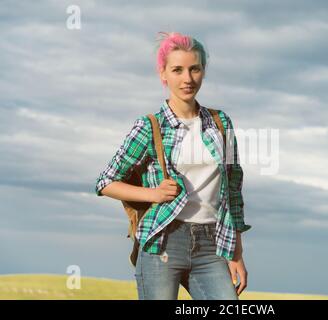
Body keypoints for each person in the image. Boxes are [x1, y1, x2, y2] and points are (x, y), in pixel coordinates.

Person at [94, 31, 251, 300]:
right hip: (162, 242)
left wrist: (236, 253)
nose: (187, 79)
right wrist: (152, 194)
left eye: (195, 69)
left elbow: (233, 190)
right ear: (163, 74)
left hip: (212, 245)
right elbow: (105, 182)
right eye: (177, 70)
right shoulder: (150, 126)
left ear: (203, 71)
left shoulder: (221, 124)